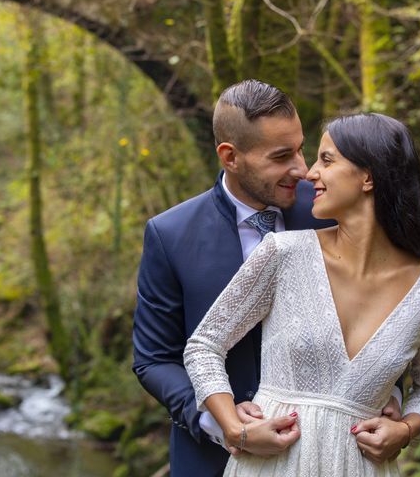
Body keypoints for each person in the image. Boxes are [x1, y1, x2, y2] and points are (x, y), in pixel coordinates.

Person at [133, 80, 403, 476]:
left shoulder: (334, 208)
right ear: (230, 156)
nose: (301, 168)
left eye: (300, 148)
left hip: (334, 453)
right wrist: (222, 422)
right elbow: (154, 359)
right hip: (211, 461)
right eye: (281, 156)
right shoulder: (171, 235)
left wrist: (390, 393)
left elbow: (388, 305)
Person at [184, 112, 420, 475]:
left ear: (368, 177)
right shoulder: (283, 253)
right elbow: (204, 345)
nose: (309, 172)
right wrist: (235, 429)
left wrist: (407, 429)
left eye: (326, 160)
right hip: (269, 466)